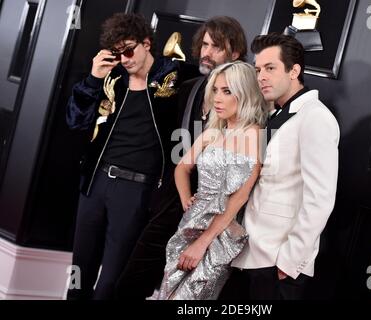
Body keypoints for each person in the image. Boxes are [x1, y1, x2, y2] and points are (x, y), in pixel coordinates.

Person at [115, 16, 248, 300]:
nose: (206, 53)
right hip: (172, 199)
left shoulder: (247, 101)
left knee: (188, 294)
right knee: (131, 282)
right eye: (204, 45)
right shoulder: (187, 88)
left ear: (235, 54)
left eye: (216, 47)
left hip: (214, 210)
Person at [65, 13, 186, 300]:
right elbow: (75, 121)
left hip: (136, 189)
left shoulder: (173, 78)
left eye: (129, 50)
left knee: (111, 280)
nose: (125, 58)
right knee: (78, 272)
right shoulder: (112, 79)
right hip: (95, 182)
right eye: (118, 54)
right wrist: (93, 79)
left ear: (147, 43)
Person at [224, 33, 340, 300]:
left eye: (270, 68)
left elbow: (320, 199)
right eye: (258, 69)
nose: (261, 76)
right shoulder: (272, 115)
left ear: (294, 71)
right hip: (247, 254)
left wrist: (289, 262)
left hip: (277, 264)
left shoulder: (316, 118)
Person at [157, 61, 268, 300]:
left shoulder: (255, 134)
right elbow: (181, 169)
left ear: (245, 92)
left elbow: (240, 197)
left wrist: (203, 242)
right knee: (168, 293)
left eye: (226, 91)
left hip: (220, 234)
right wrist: (188, 201)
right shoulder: (212, 133)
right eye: (215, 90)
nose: (217, 98)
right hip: (190, 224)